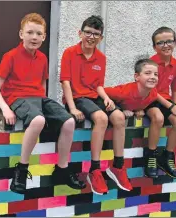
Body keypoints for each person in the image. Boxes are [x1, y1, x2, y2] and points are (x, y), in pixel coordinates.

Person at [0, 13, 86, 194]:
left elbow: (42, 84)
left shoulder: (42, 58)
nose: (34, 37)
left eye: (38, 33)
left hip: (38, 99)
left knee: (69, 121)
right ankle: (22, 169)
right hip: (17, 99)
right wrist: (5, 109)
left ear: (44, 36)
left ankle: (62, 169)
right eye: (30, 32)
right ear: (21, 34)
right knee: (38, 121)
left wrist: (43, 106)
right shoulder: (10, 56)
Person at [60, 15, 133, 195]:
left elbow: (98, 85)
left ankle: (118, 166)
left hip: (94, 96)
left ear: (101, 38)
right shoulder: (69, 53)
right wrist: (72, 108)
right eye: (88, 32)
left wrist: (107, 98)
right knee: (101, 118)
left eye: (96, 34)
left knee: (119, 117)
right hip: (78, 97)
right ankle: (95, 169)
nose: (91, 37)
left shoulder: (101, 57)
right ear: (80, 33)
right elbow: (66, 83)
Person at [143, 26, 176, 179]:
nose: (166, 45)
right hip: (148, 98)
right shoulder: (151, 64)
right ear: (154, 47)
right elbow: (151, 91)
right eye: (161, 43)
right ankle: (151, 156)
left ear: (175, 43)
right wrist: (170, 106)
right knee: (158, 118)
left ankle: (167, 157)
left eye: (169, 41)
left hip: (165, 100)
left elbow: (175, 89)